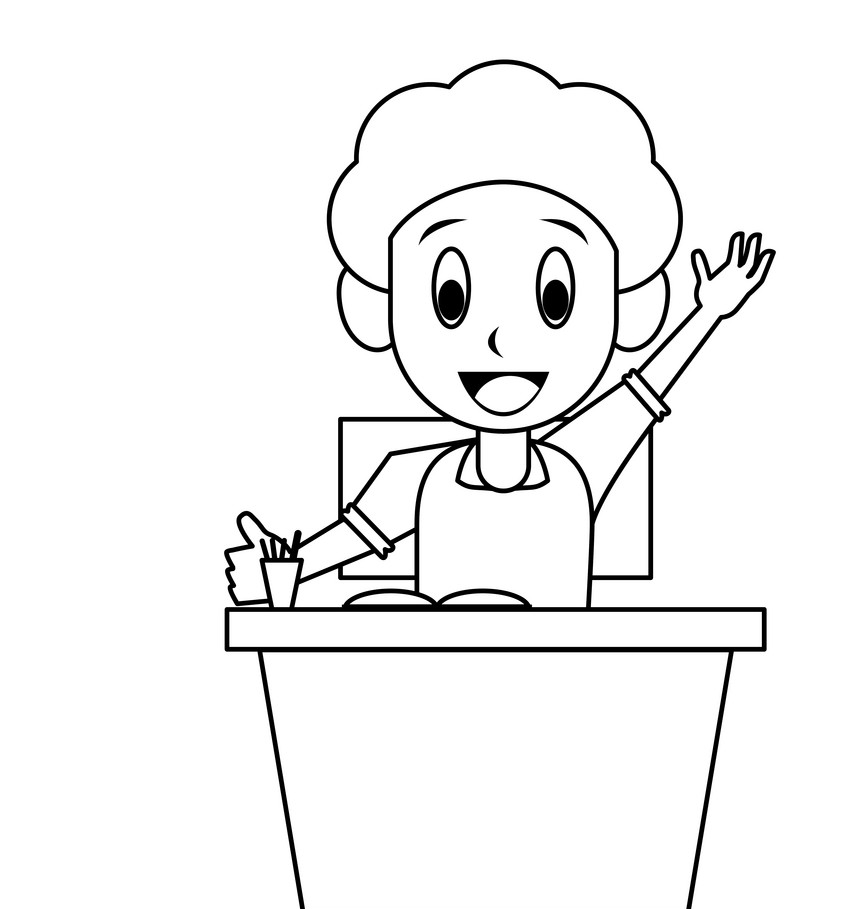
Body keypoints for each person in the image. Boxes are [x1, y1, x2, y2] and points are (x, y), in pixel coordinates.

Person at [226, 61, 773, 608]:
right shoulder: (410, 477)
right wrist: (276, 575)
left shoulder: (580, 459)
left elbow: (645, 387)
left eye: (554, 301)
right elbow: (317, 562)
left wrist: (709, 313)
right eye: (451, 301)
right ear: (385, 308)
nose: (502, 342)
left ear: (621, 308)